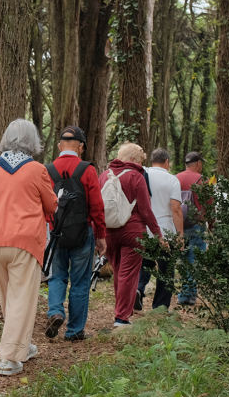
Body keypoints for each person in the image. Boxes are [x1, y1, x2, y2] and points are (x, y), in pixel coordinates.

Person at [0, 119, 57, 376]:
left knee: (10, 299)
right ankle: (9, 358)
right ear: (32, 141)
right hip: (23, 241)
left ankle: (24, 345)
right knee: (21, 299)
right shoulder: (36, 169)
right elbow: (52, 205)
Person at [44, 126, 107, 341]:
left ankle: (55, 312)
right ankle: (74, 331)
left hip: (55, 232)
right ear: (80, 147)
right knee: (79, 282)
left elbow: (42, 203)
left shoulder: (47, 169)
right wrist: (100, 235)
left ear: (60, 145)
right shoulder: (87, 170)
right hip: (83, 232)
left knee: (57, 276)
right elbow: (97, 206)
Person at [98, 143, 163, 327]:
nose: (141, 164)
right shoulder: (137, 176)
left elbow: (96, 206)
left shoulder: (104, 175)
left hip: (109, 232)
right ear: (134, 159)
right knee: (128, 274)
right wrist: (158, 234)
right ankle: (121, 317)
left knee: (119, 272)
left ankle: (120, 312)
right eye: (141, 160)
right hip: (133, 231)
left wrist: (98, 233)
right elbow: (145, 210)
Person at [136, 148, 183, 310]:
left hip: (144, 229)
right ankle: (160, 306)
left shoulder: (142, 174)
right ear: (167, 162)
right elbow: (176, 208)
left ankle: (138, 289)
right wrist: (180, 235)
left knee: (144, 263)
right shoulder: (172, 180)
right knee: (166, 269)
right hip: (165, 231)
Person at [176, 151, 208, 306]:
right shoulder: (201, 181)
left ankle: (190, 296)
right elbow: (209, 205)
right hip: (196, 225)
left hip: (179, 225)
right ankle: (185, 296)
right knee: (194, 261)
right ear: (199, 164)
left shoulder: (175, 178)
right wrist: (213, 225)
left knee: (184, 261)